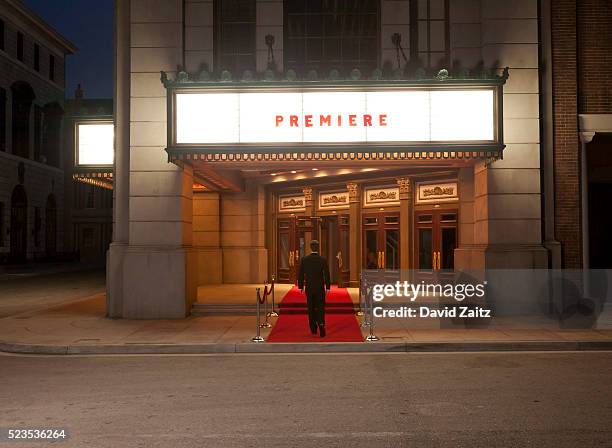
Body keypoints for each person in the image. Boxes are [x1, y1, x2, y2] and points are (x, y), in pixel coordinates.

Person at [298, 240, 331, 337]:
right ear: (318, 247)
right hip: (320, 288)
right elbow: (327, 274)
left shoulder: (305, 259)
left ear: (310, 247)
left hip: (309, 288)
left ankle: (313, 328)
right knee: (320, 307)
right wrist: (328, 287)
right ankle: (321, 324)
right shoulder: (322, 260)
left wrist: (301, 286)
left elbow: (301, 274)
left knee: (311, 307)